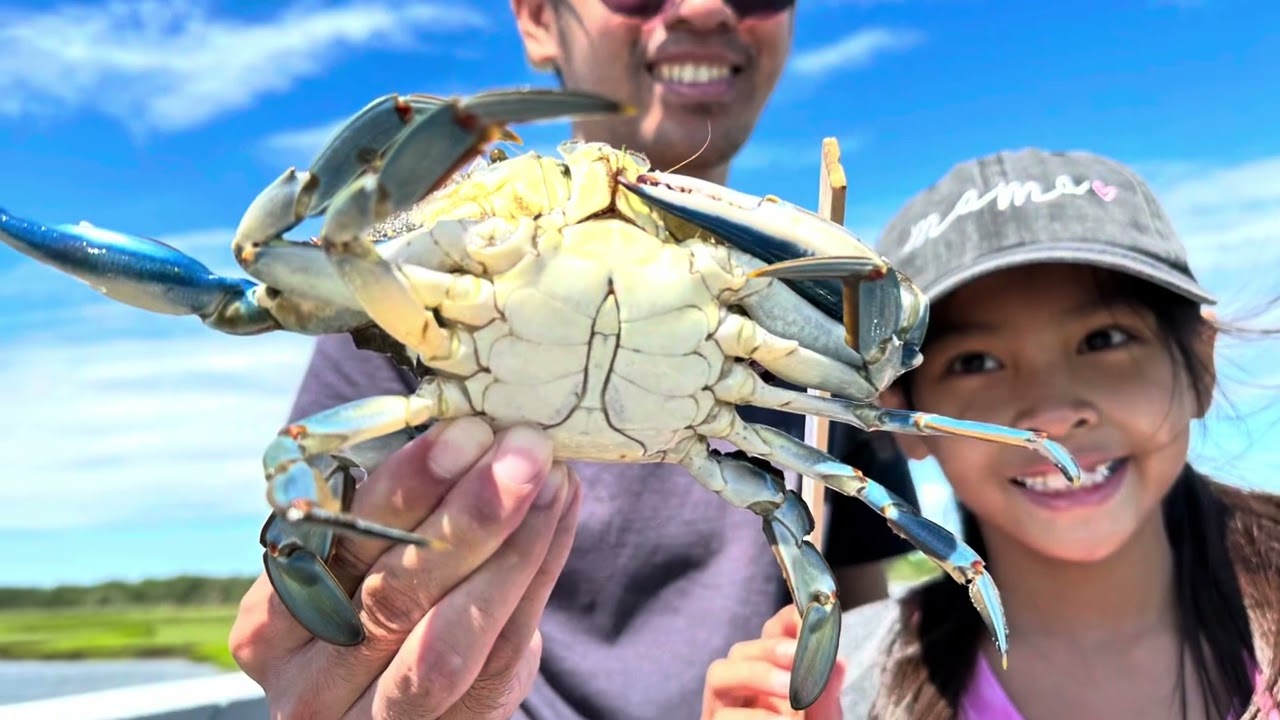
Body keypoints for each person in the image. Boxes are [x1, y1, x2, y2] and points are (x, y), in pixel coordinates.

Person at [229, 1, 924, 718]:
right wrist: (331, 668)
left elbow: (847, 610)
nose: (706, 5)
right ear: (535, 20)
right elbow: (306, 515)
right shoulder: (409, 306)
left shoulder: (815, 326)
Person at [700, 147, 1280, 719]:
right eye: (975, 362)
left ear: (1201, 365)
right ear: (900, 412)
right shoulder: (845, 685)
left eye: (1104, 339)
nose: (1051, 415)